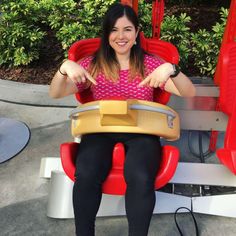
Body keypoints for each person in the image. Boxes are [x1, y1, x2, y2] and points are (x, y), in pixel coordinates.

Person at [49, 3, 195, 236]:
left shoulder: (150, 64)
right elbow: (55, 93)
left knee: (140, 176)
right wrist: (64, 68)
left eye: (127, 29)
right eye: (114, 30)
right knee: (87, 174)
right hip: (99, 129)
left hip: (141, 130)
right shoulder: (92, 64)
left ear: (137, 33)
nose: (121, 36)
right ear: (106, 34)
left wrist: (172, 69)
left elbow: (188, 93)